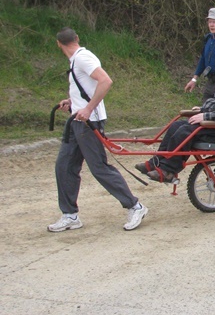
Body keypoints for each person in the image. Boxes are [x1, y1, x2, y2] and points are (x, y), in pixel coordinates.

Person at [48, 28, 148, 232]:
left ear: (58, 44)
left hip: (88, 122)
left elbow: (105, 81)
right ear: (77, 38)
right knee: (64, 166)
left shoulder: (83, 58)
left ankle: (135, 206)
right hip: (77, 121)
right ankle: (70, 215)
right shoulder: (76, 60)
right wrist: (73, 102)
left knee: (99, 168)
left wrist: (87, 108)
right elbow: (89, 87)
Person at [136, 52, 215, 182]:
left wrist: (206, 115)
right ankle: (156, 162)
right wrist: (203, 109)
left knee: (184, 132)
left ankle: (168, 171)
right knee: (175, 126)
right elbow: (213, 101)